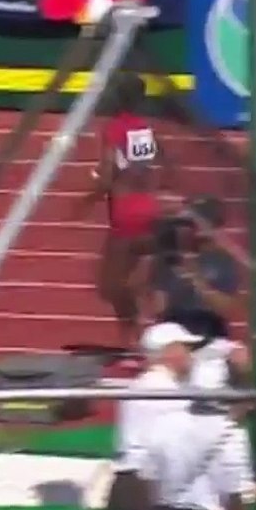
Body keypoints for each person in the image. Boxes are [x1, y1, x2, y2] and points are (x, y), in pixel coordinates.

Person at [83, 75, 163, 354]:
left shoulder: (114, 128)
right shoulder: (146, 129)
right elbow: (150, 168)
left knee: (112, 285)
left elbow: (107, 175)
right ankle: (144, 338)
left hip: (125, 213)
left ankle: (132, 341)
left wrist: (85, 200)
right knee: (139, 280)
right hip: (149, 208)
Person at [108, 322, 200, 510]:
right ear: (169, 351)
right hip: (146, 487)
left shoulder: (141, 385)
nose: (191, 355)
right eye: (186, 348)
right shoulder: (166, 390)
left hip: (129, 484)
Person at [151, 197, 251, 388]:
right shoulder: (170, 260)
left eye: (206, 224)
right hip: (176, 334)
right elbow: (158, 308)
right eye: (194, 223)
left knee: (241, 361)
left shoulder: (223, 262)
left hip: (209, 334)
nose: (199, 229)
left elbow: (228, 309)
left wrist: (198, 282)